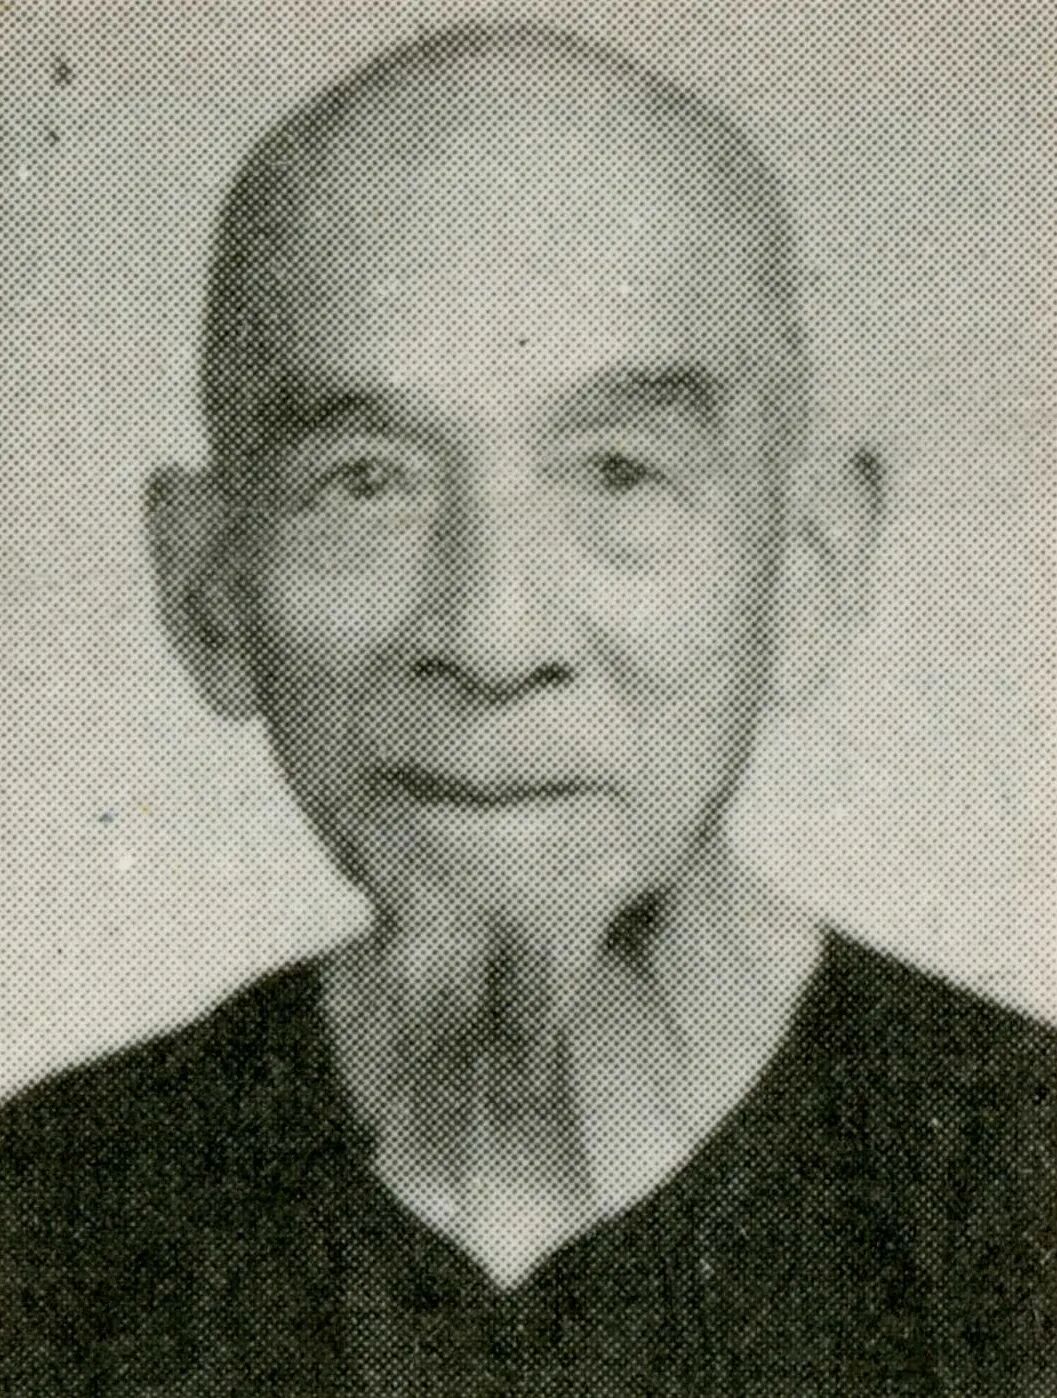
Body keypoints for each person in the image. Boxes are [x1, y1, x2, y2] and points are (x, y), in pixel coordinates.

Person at [1, 22, 1052, 1396]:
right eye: (365, 481)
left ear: (807, 568)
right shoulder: (47, 1231)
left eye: (617, 472)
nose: (491, 638)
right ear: (208, 593)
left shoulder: (1017, 1208)